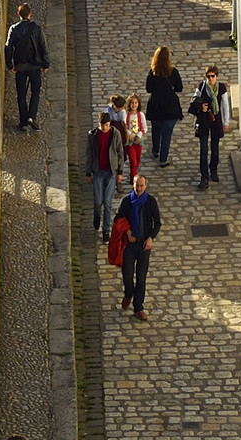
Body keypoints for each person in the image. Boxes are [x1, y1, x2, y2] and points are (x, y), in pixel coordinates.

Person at [110, 173, 162, 318]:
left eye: (141, 185)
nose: (139, 188)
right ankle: (128, 294)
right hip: (129, 245)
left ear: (145, 186)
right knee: (127, 275)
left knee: (141, 277)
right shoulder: (126, 201)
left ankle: (138, 307)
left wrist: (151, 238)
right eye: (136, 185)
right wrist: (127, 232)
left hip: (144, 244)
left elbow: (157, 223)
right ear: (133, 185)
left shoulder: (151, 202)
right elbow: (118, 218)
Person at [4, 1, 50, 131]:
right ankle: (32, 116)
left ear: (18, 14)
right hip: (35, 65)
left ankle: (23, 121)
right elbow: (43, 46)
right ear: (30, 14)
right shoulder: (36, 28)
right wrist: (46, 64)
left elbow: (8, 48)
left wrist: (10, 65)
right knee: (35, 91)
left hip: (20, 67)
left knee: (21, 94)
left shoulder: (13, 29)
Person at [85, 108, 127, 234]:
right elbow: (89, 155)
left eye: (107, 125)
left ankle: (106, 231)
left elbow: (120, 153)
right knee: (98, 201)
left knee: (108, 203)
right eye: (103, 125)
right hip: (98, 171)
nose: (105, 128)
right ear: (99, 124)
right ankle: (97, 215)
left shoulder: (115, 134)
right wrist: (88, 172)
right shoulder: (92, 136)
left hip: (111, 172)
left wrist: (120, 172)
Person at [190, 64, 231, 189]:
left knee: (215, 147)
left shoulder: (222, 88)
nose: (210, 79)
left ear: (216, 76)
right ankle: (204, 176)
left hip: (216, 120)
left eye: (212, 76)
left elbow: (225, 105)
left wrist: (226, 122)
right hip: (204, 120)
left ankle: (213, 169)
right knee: (203, 149)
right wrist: (200, 107)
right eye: (208, 76)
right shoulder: (202, 87)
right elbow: (194, 100)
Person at [145, 46, 184, 166]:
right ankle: (163, 159)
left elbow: (148, 89)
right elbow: (179, 88)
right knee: (167, 135)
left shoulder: (153, 73)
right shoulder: (173, 72)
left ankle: (155, 150)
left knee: (156, 129)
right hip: (170, 108)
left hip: (156, 107)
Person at [122, 91, 147, 178]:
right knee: (133, 160)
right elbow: (124, 126)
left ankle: (133, 172)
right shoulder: (126, 115)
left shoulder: (141, 115)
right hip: (130, 141)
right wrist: (129, 133)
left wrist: (139, 135)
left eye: (136, 103)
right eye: (132, 103)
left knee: (138, 159)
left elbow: (144, 128)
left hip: (138, 140)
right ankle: (133, 177)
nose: (134, 105)